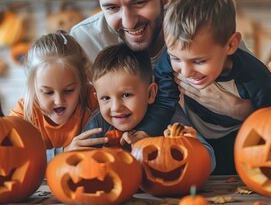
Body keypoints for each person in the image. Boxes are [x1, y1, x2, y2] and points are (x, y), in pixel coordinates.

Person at [69, 0, 254, 144]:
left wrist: (237, 108)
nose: (129, 22)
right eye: (111, 8)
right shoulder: (84, 41)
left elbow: (268, 109)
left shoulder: (200, 26)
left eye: (139, 2)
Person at [157, 0, 271, 175]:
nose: (186, 72)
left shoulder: (255, 77)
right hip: (198, 141)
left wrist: (239, 109)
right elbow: (163, 103)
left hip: (240, 143)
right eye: (176, 58)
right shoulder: (168, 63)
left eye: (199, 60)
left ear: (231, 45)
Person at [70, 43, 216, 172]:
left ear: (151, 93)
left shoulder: (169, 118)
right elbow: (77, 166)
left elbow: (209, 159)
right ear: (97, 98)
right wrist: (70, 154)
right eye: (106, 98)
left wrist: (176, 148)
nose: (115, 107)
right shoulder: (98, 125)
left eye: (126, 95)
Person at [10, 32, 100, 161]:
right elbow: (10, 155)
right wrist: (63, 153)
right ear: (33, 87)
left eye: (69, 90)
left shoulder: (94, 100)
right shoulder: (24, 113)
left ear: (82, 83)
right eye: (48, 92)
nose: (59, 101)